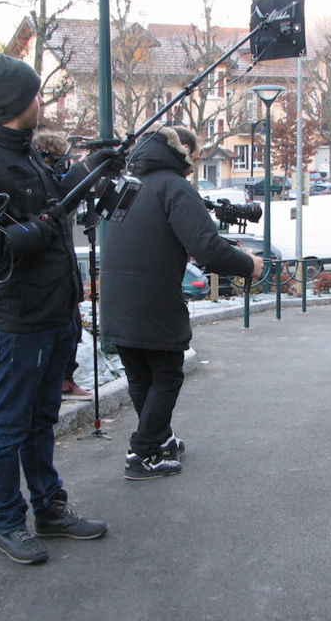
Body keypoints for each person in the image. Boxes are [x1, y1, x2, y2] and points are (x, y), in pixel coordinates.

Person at [0, 53, 122, 564]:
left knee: (41, 418)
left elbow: (57, 202)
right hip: (20, 316)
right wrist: (43, 227)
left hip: (56, 310)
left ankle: (49, 508)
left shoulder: (26, 152)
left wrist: (93, 167)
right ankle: (9, 521)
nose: (40, 103)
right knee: (10, 422)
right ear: (15, 103)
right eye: (34, 96)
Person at [100, 126, 263, 480]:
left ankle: (158, 441)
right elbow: (207, 247)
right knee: (168, 375)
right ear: (182, 151)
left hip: (116, 299)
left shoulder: (130, 185)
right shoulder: (174, 187)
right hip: (154, 300)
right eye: (194, 153)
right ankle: (142, 453)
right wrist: (249, 264)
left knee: (142, 377)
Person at [32, 130, 92, 399]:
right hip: (47, 278)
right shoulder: (39, 186)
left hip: (65, 273)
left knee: (73, 328)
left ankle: (65, 379)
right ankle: (61, 380)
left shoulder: (53, 183)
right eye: (58, 159)